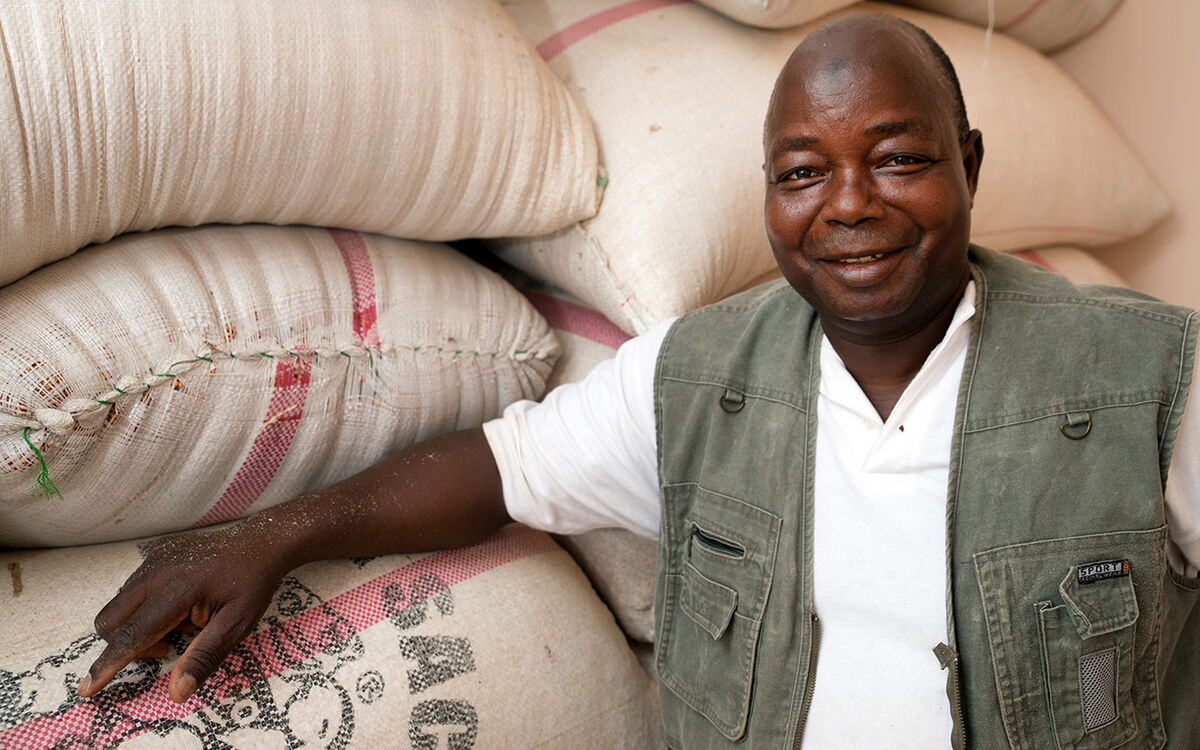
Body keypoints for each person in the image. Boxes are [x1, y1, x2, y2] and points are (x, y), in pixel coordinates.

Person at [77, 13, 1199, 749]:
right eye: (803, 173)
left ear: (973, 166)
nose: (847, 204)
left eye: (898, 158)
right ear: (768, 197)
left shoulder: (1149, 377)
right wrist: (274, 533)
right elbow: (500, 466)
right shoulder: (697, 377)